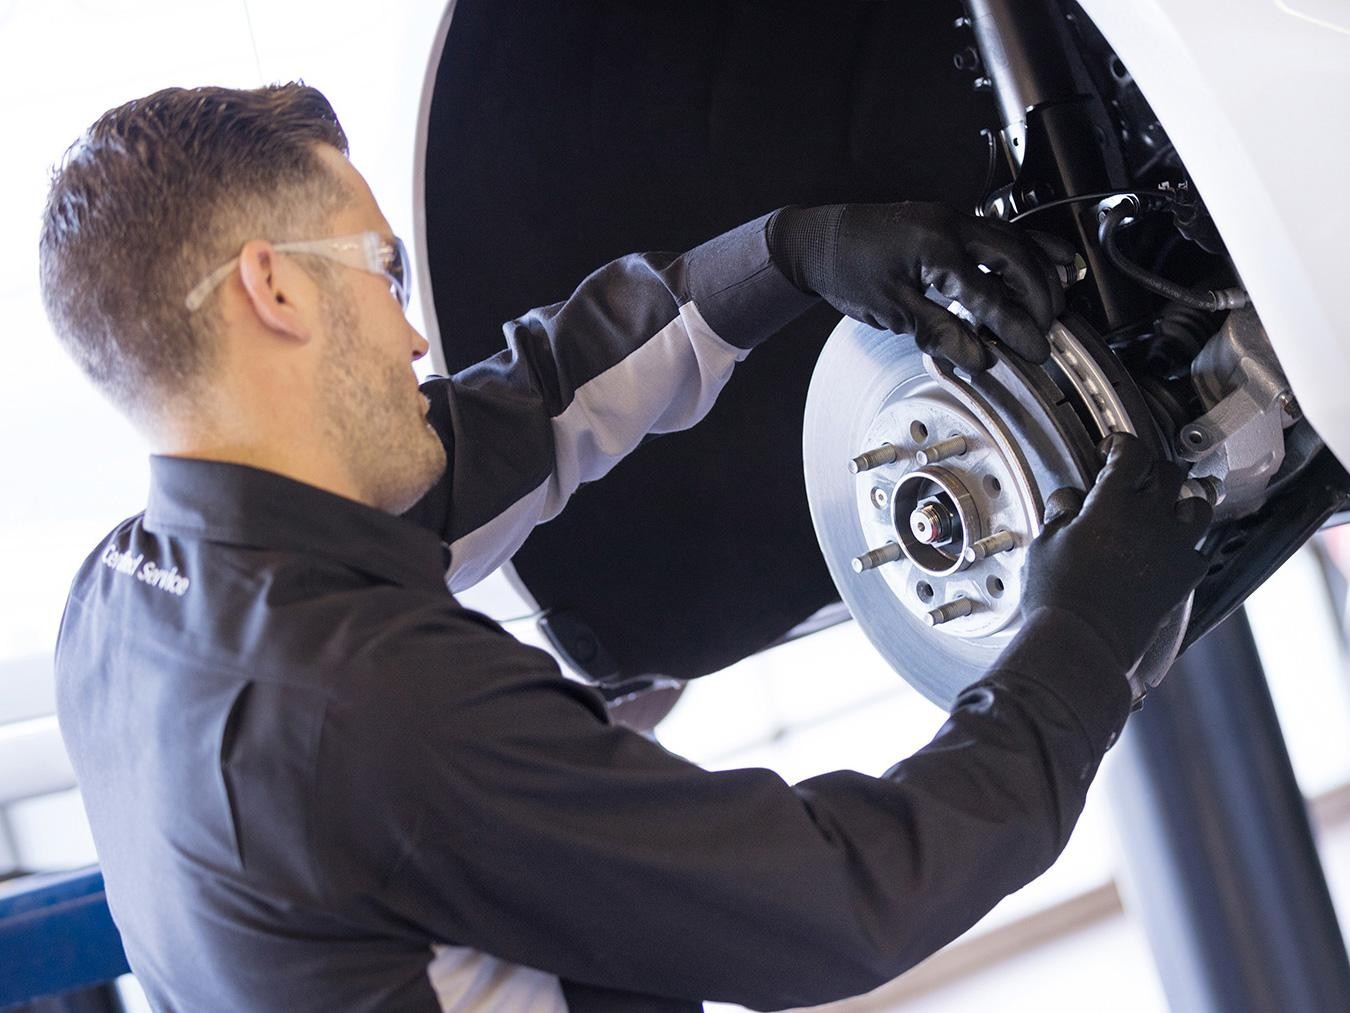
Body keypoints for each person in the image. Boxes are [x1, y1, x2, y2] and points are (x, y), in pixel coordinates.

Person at [40, 83, 1210, 1012]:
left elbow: (535, 405)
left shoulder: (124, 599)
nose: (409, 334)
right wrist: (1082, 640)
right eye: (382, 271)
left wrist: (796, 251)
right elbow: (842, 897)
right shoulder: (364, 707)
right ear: (274, 289)